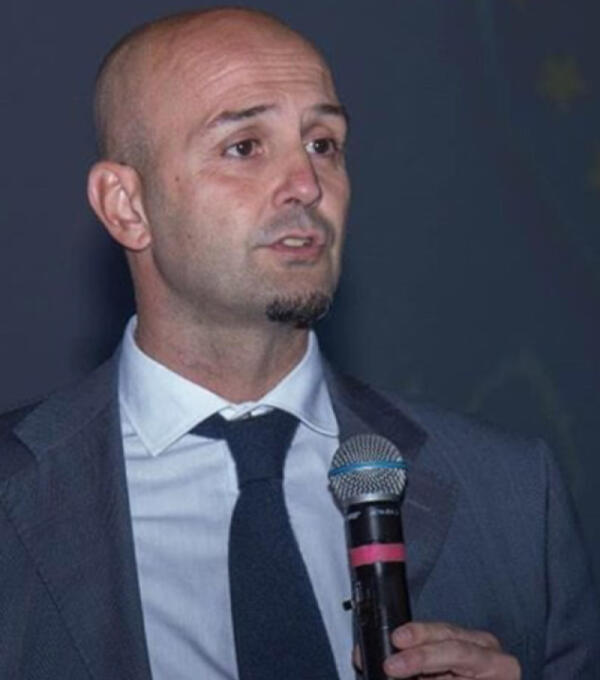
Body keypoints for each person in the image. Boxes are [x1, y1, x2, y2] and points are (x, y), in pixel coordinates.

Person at [0, 7, 598, 680]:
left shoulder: (511, 496)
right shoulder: (18, 496)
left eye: (322, 143)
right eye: (244, 146)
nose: (308, 186)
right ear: (126, 206)